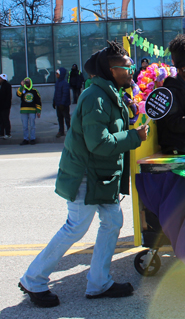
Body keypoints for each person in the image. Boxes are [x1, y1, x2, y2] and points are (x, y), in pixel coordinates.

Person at [19, 41, 149, 308]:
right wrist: (133, 136)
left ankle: (99, 283)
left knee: (112, 222)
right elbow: (98, 143)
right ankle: (33, 279)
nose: (132, 70)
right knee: (76, 227)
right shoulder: (95, 97)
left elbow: (110, 127)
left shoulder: (110, 93)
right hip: (86, 175)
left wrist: (130, 116)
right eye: (127, 67)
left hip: (102, 175)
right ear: (112, 70)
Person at [16, 77, 41, 145]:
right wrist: (21, 86)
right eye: (25, 82)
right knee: (25, 126)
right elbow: (18, 94)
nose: (27, 83)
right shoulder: (22, 90)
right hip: (23, 111)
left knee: (32, 125)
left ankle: (32, 138)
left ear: (31, 82)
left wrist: (38, 111)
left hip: (32, 111)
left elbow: (38, 101)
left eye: (28, 82)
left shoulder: (34, 91)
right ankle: (25, 139)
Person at [53, 68, 71, 138]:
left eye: (57, 73)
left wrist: (62, 103)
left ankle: (69, 131)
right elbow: (56, 93)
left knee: (67, 118)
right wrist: (54, 101)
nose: (56, 75)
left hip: (64, 105)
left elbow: (65, 94)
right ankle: (61, 131)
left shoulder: (65, 83)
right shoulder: (57, 83)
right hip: (58, 104)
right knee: (59, 118)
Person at [0, 73, 12, 139]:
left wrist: (6, 105)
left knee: (5, 120)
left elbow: (8, 97)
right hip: (1, 106)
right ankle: (1, 133)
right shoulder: (0, 86)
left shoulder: (7, 85)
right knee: (1, 120)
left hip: (5, 107)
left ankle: (8, 133)